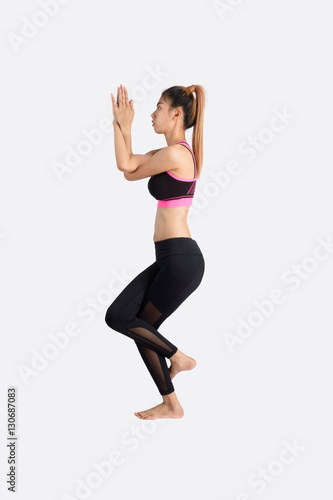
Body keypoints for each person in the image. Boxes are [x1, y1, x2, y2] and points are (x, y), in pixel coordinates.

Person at [105, 83, 206, 420]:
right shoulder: (170, 155)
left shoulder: (177, 154)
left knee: (123, 319)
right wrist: (119, 124)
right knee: (135, 326)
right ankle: (172, 404)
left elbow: (126, 164)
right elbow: (128, 168)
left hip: (181, 260)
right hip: (170, 259)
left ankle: (178, 357)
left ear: (176, 114)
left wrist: (125, 125)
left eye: (159, 107)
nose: (153, 113)